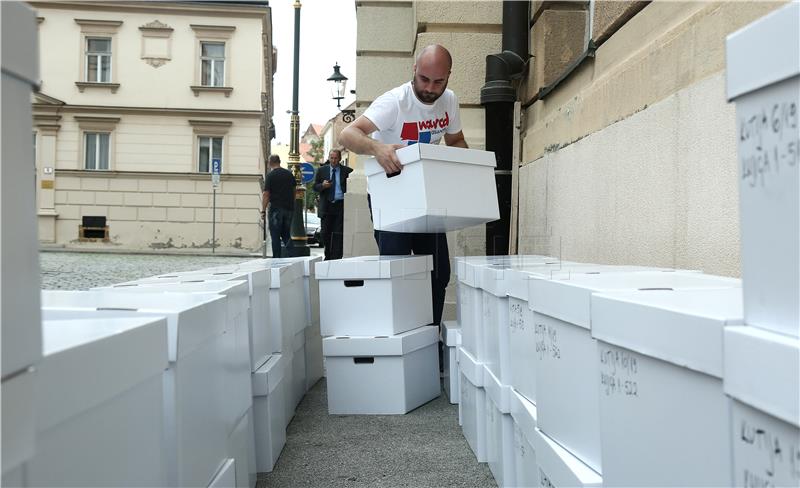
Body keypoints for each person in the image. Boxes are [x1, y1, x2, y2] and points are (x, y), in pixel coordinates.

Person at [339, 44, 467, 327]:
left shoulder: (450, 101)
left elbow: (456, 141)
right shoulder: (394, 102)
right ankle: (400, 343)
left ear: (448, 76)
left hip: (428, 197)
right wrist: (377, 148)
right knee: (396, 272)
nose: (430, 88)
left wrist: (465, 172)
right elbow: (347, 135)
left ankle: (428, 341)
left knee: (438, 273)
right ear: (414, 70)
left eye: (438, 81)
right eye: (424, 79)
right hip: (391, 197)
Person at [313, 149, 353, 260]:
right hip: (327, 206)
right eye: (331, 158)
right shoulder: (322, 170)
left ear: (340, 158)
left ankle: (336, 257)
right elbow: (314, 187)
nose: (333, 160)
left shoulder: (348, 171)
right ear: (329, 158)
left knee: (338, 234)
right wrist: (322, 186)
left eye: (336, 158)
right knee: (325, 233)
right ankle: (328, 255)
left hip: (341, 206)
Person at [261, 154, 296, 258]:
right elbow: (294, 191)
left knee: (275, 236)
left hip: (276, 209)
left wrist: (263, 210)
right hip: (289, 209)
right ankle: (294, 257)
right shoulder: (289, 174)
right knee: (286, 235)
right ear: (279, 161)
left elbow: (266, 194)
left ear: (270, 163)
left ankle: (276, 259)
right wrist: (291, 203)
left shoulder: (270, 176)